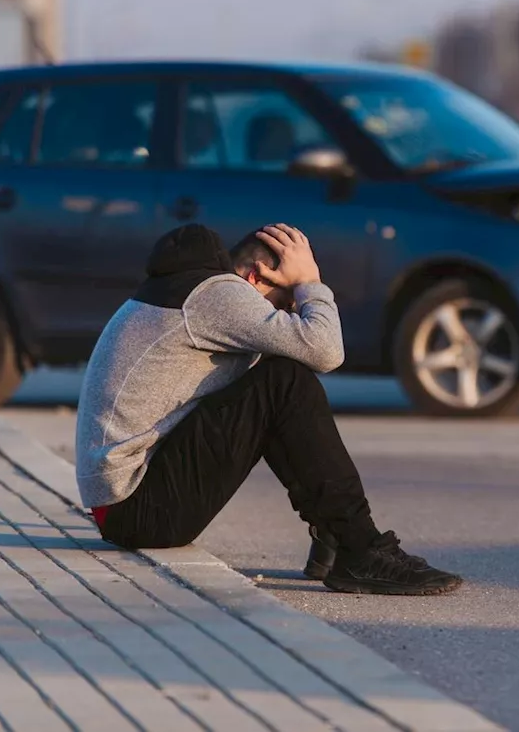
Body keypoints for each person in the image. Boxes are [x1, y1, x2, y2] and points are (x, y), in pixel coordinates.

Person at [75, 222, 462, 595]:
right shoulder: (217, 295)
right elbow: (327, 351)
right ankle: (360, 548)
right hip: (138, 509)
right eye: (284, 303)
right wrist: (310, 283)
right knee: (284, 380)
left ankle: (336, 537)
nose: (289, 315)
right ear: (256, 277)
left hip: (127, 506)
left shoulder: (186, 291)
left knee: (275, 376)